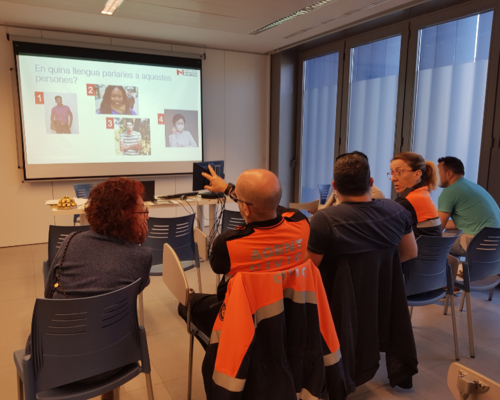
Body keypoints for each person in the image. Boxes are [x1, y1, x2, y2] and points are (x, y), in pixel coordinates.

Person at [26, 177, 152, 399]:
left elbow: (49, 294)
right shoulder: (142, 257)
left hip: (52, 368)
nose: (147, 217)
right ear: (126, 217)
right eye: (143, 211)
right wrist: (138, 241)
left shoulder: (69, 241)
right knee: (107, 325)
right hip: (114, 362)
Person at [305, 152, 418, 393]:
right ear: (371, 182)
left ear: (335, 186)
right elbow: (410, 252)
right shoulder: (397, 211)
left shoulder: (325, 220)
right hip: (383, 298)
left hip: (339, 304)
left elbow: (309, 270)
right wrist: (374, 271)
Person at [177, 167, 310, 347]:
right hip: (288, 311)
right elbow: (270, 204)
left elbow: (217, 267)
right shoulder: (301, 223)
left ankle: (218, 348)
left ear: (245, 209)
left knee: (185, 305)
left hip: (242, 314)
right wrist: (229, 189)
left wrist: (230, 190)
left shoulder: (227, 244)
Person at [438, 156, 500, 256]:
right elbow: (463, 223)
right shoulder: (474, 187)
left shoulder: (450, 191)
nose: (435, 176)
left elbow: (437, 229)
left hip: (479, 243)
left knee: (432, 244)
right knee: (449, 233)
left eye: (438, 172)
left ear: (449, 174)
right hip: (496, 244)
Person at [390, 152, 441, 238]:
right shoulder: (423, 194)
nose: (393, 178)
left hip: (419, 246)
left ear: (417, 174)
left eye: (399, 172)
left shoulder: (408, 201)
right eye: (392, 173)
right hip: (428, 246)